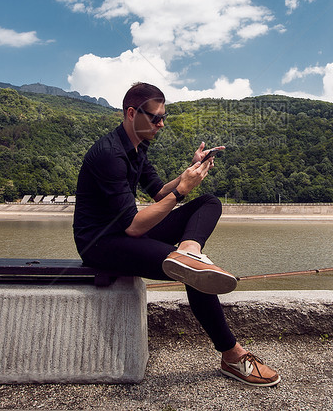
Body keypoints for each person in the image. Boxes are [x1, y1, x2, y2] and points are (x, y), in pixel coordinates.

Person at [73, 82, 280, 387]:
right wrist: (182, 190)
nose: (161, 124)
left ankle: (189, 251)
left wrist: (188, 173)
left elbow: (158, 192)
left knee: (208, 203)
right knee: (198, 274)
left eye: (163, 117)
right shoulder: (110, 155)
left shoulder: (136, 148)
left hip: (127, 229)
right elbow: (133, 225)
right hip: (101, 242)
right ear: (132, 114)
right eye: (155, 118)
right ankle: (233, 356)